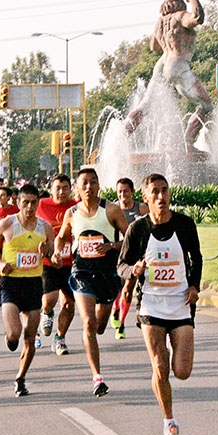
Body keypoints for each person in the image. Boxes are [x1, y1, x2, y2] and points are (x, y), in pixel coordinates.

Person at [117, 173, 201, 435]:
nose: (161, 197)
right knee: (160, 366)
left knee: (183, 371)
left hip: (180, 304)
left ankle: (165, 374)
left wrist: (194, 286)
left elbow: (196, 258)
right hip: (151, 304)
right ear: (146, 197)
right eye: (155, 192)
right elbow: (122, 265)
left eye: (164, 191)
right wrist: (134, 270)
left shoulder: (185, 224)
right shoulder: (137, 230)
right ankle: (169, 423)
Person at [53, 168, 128, 397]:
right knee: (87, 323)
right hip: (82, 271)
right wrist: (57, 251)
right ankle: (97, 377)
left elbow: (129, 239)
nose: (88, 187)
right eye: (84, 183)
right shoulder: (72, 212)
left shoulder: (112, 211)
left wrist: (111, 246)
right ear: (77, 187)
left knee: (99, 327)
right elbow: (62, 236)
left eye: (93, 182)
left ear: (98, 185)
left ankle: (98, 331)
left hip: (108, 273)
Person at [124, 0, 212, 160]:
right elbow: (197, 17)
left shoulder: (161, 22)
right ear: (179, 2)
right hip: (177, 63)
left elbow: (154, 46)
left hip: (162, 63)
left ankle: (122, 136)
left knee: (145, 105)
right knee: (207, 105)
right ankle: (187, 141)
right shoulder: (180, 16)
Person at [0, 184, 55, 396]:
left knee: (30, 336)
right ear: (18, 203)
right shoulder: (7, 223)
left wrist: (48, 251)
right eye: (25, 202)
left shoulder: (45, 227)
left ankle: (21, 377)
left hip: (34, 283)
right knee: (15, 334)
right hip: (11, 284)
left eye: (34, 203)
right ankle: (10, 337)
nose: (30, 207)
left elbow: (53, 256)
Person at [36, 174, 77, 354]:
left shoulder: (77, 206)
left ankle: (60, 338)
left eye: (65, 188)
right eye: (57, 188)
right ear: (51, 189)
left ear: (71, 189)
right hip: (49, 261)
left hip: (72, 263)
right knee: (48, 300)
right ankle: (47, 313)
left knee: (69, 304)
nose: (61, 192)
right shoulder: (41, 205)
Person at [111, 178, 150, 339]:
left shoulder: (140, 208)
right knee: (116, 289)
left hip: (135, 256)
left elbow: (150, 227)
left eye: (126, 191)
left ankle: (121, 323)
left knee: (128, 290)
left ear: (132, 192)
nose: (122, 195)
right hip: (117, 255)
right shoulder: (113, 209)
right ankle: (115, 309)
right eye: (119, 191)